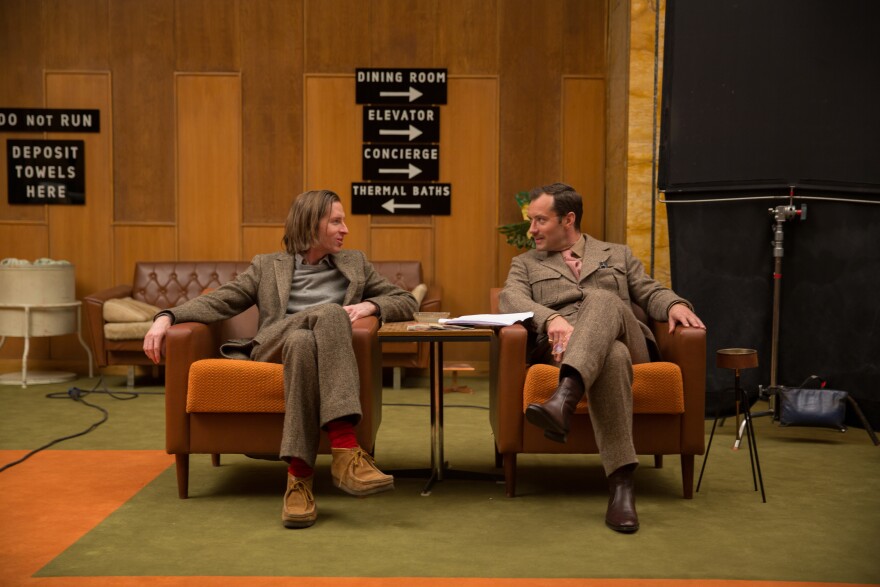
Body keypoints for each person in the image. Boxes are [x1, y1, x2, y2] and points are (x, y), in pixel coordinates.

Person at [143, 189, 418, 529]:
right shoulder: (267, 265)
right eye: (335, 221)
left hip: (305, 354)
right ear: (309, 224)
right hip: (270, 348)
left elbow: (406, 300)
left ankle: (299, 480)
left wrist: (371, 306)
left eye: (343, 221)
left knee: (304, 342)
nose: (345, 228)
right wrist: (166, 315)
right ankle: (345, 448)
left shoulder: (355, 264)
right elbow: (220, 301)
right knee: (330, 314)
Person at [498, 182, 705, 534]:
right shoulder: (525, 264)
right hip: (563, 350)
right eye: (531, 221)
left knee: (604, 299)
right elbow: (510, 300)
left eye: (539, 220)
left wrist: (674, 304)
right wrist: (552, 318)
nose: (531, 230)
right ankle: (622, 486)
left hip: (631, 339)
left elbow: (649, 290)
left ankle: (563, 398)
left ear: (568, 219)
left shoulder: (617, 254)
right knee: (612, 355)